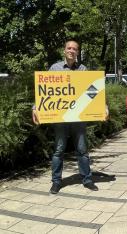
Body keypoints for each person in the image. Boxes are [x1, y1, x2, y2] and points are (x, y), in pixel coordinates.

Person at [32, 40, 101, 194]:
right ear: (64, 50)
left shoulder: (83, 70)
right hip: (60, 118)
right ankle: (56, 182)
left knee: (82, 150)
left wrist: (104, 107)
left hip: (78, 119)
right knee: (58, 150)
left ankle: (87, 179)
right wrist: (35, 108)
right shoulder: (54, 68)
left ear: (78, 52)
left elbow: (93, 92)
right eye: (69, 48)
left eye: (75, 49)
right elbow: (44, 90)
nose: (71, 51)